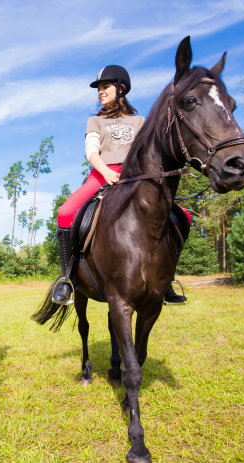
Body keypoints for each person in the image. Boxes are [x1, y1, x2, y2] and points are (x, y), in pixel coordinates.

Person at [50, 65, 187, 306]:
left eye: (106, 87)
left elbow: (150, 152)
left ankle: (167, 280)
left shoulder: (139, 121)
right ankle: (67, 278)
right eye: (99, 89)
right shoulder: (95, 120)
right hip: (102, 175)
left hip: (136, 177)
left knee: (182, 216)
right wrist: (106, 173)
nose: (100, 92)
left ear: (121, 89)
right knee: (65, 213)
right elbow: (91, 153)